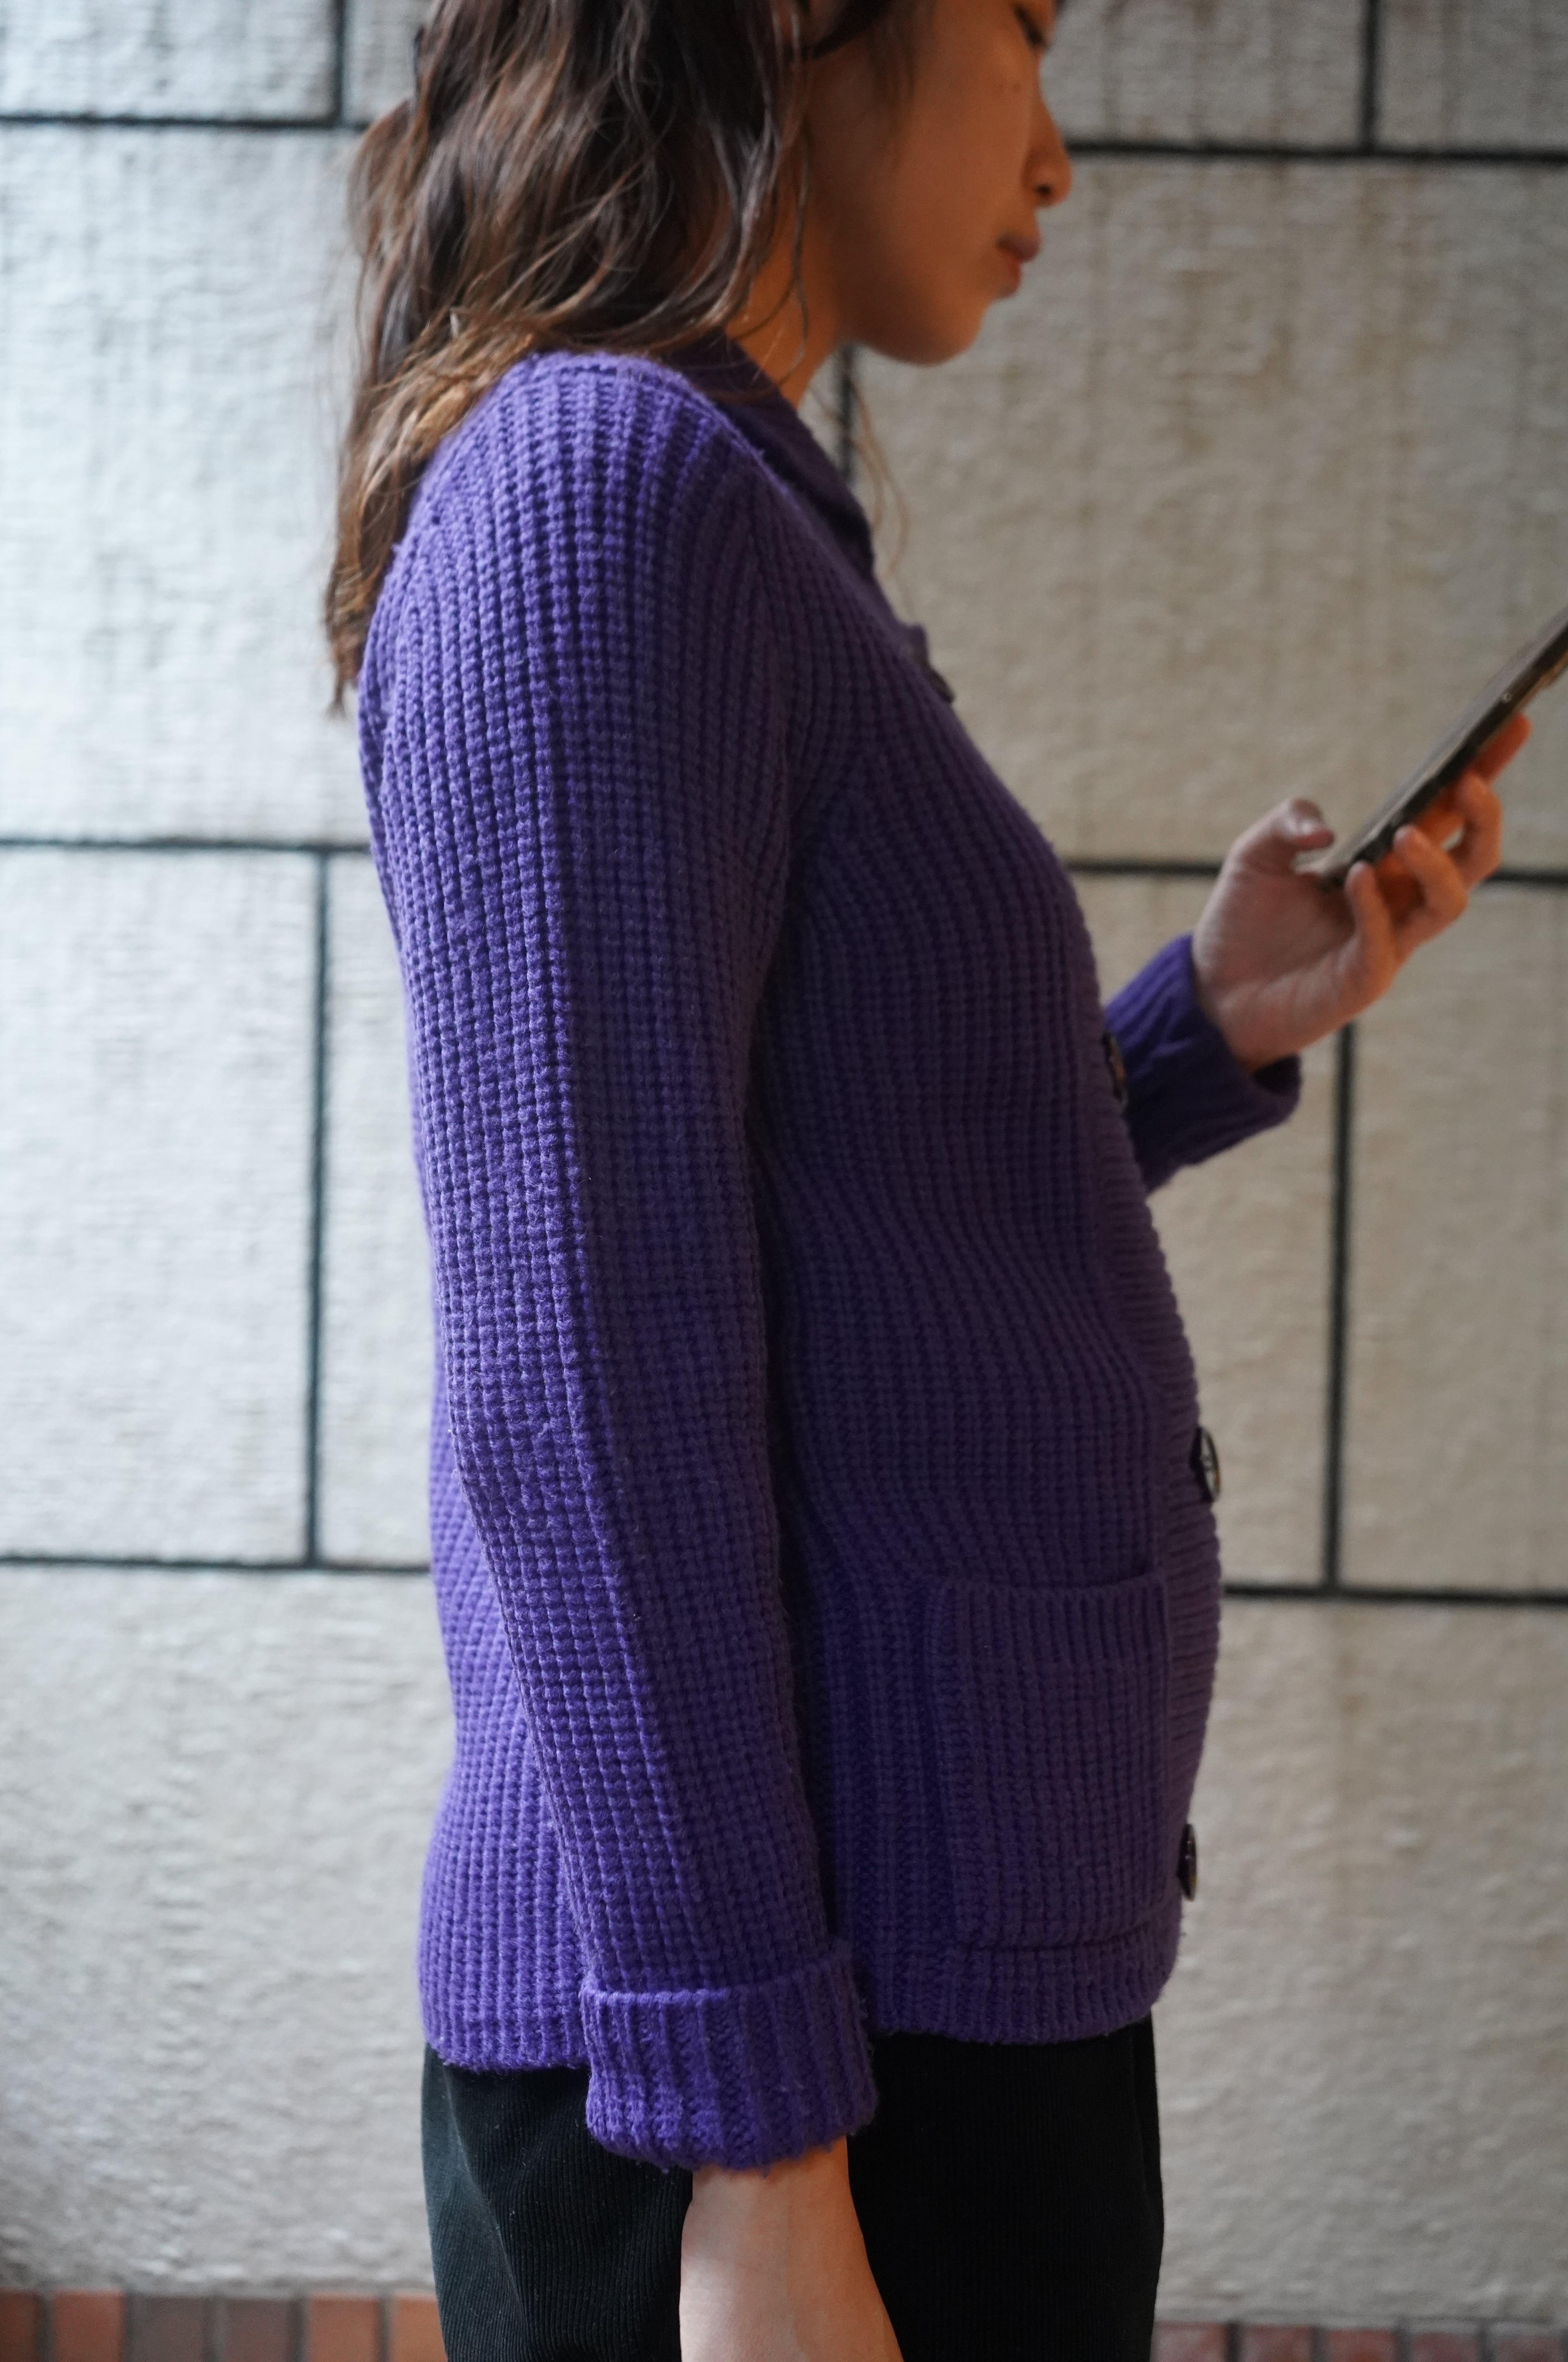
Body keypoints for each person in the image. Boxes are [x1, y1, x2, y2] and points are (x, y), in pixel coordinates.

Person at [326, 1, 1524, 2355]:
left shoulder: (717, 506)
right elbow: (589, 1383)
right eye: (1028, 32)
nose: (1057, 156)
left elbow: (838, 1227)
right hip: (790, 2080)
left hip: (895, 2019)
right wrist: (759, 2151)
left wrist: (1201, 1029)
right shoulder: (594, 490)